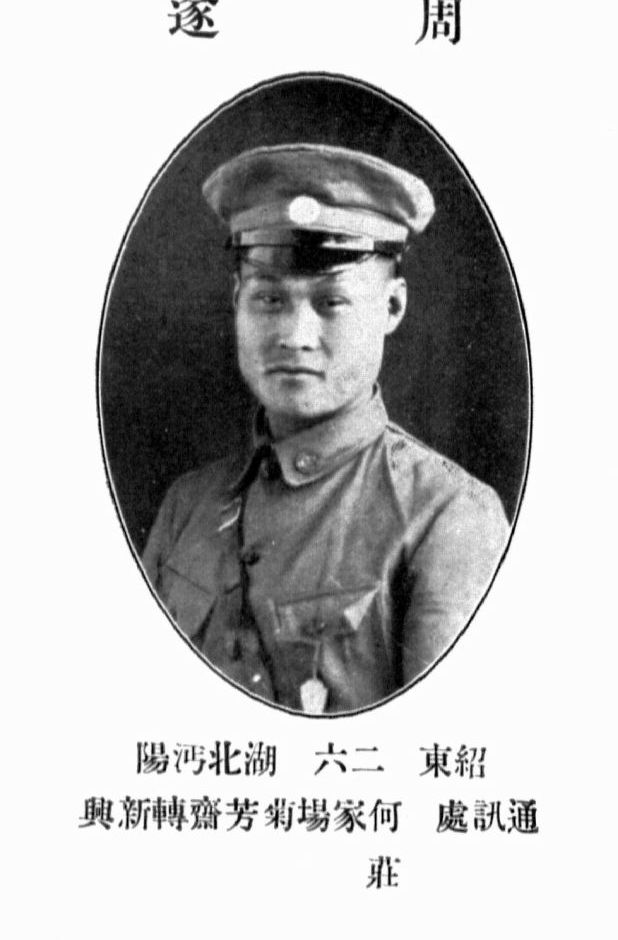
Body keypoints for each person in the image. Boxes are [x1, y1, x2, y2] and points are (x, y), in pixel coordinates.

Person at [142, 143, 509, 714]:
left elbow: (445, 737)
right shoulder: (185, 507)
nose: (295, 336)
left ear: (392, 307)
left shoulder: (448, 516)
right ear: (237, 301)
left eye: (332, 302)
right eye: (269, 299)